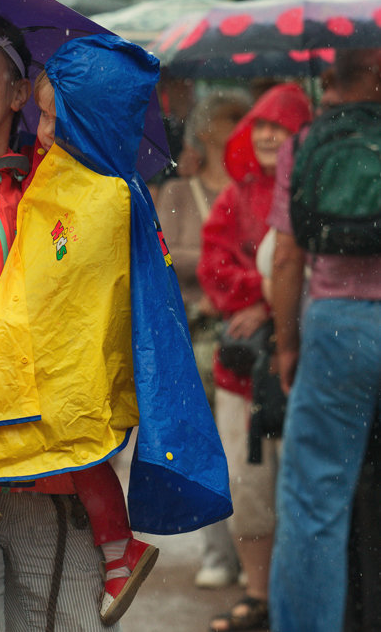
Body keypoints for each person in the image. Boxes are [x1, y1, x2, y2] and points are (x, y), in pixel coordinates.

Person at [0, 14, 229, 630]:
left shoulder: (67, 188)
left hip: (58, 486)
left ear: (20, 91)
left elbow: (115, 325)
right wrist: (50, 405)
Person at [0, 66, 159, 626]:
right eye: (44, 116)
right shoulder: (100, 184)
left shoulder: (99, 190)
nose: (43, 130)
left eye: (56, 118)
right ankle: (117, 547)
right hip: (68, 350)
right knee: (83, 451)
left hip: (55, 340)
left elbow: (74, 263)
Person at [268, 48, 381, 632]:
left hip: (339, 326)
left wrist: (288, 345)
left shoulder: (305, 143)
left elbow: (286, 259)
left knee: (315, 503)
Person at [197, 82, 312, 632]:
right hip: (245, 374)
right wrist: (268, 288)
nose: (267, 135)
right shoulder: (236, 197)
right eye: (260, 125)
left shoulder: (317, 191)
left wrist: (270, 299)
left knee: (304, 488)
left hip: (306, 367)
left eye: (282, 126)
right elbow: (214, 268)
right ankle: (257, 595)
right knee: (248, 490)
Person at [155, 89, 251, 590]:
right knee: (207, 444)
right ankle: (219, 551)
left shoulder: (255, 188)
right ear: (208, 127)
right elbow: (164, 253)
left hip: (244, 332)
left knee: (245, 444)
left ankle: (251, 547)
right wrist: (217, 258)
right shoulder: (177, 192)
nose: (243, 124)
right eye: (232, 116)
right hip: (195, 331)